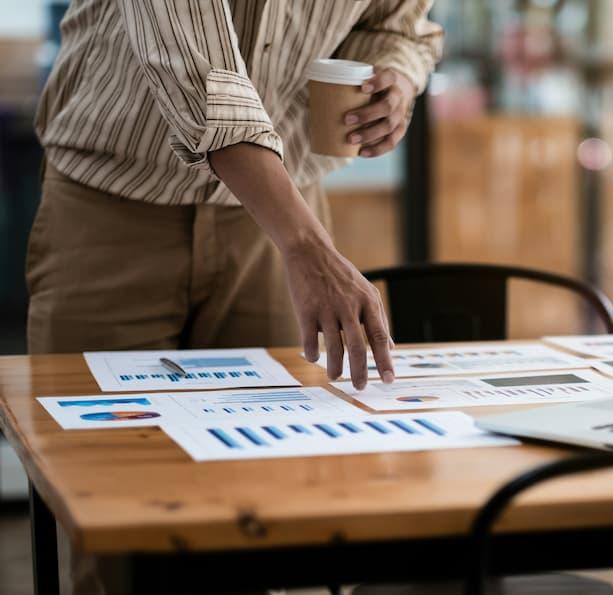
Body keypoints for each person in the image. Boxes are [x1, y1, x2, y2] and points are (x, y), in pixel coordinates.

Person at [30, 1, 442, 592]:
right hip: (114, 201)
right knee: (116, 513)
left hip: (277, 216)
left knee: (276, 499)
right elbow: (198, 73)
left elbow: (398, 25)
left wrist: (393, 78)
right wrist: (307, 247)